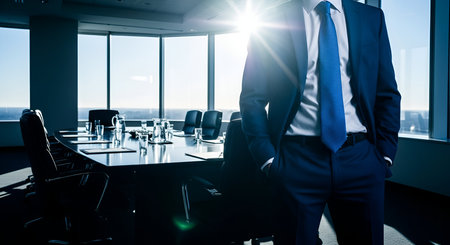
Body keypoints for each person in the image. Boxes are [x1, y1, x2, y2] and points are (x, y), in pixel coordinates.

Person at [240, 0, 401, 244]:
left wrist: (385, 153)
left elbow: (386, 92)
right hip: (295, 161)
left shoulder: (372, 18)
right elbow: (252, 97)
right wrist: (267, 158)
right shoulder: (270, 20)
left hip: (360, 159)